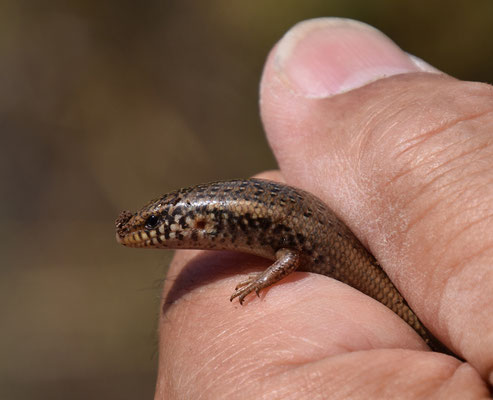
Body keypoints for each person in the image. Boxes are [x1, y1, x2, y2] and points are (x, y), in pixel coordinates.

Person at [155, 18, 492, 398]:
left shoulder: (253, 223)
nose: (149, 231)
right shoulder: (240, 220)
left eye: (154, 223)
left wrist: (262, 281)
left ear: (197, 221)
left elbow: (291, 256)